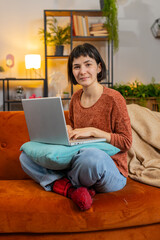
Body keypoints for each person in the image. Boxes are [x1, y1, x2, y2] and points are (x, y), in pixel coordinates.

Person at [20, 43, 132, 211]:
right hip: (78, 163)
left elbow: (126, 142)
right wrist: (68, 130)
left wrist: (95, 132)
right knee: (26, 157)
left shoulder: (114, 99)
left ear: (99, 67)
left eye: (88, 64)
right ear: (72, 71)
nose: (82, 71)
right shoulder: (75, 99)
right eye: (76, 67)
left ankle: (60, 183)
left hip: (109, 170)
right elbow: (76, 134)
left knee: (93, 156)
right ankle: (74, 190)